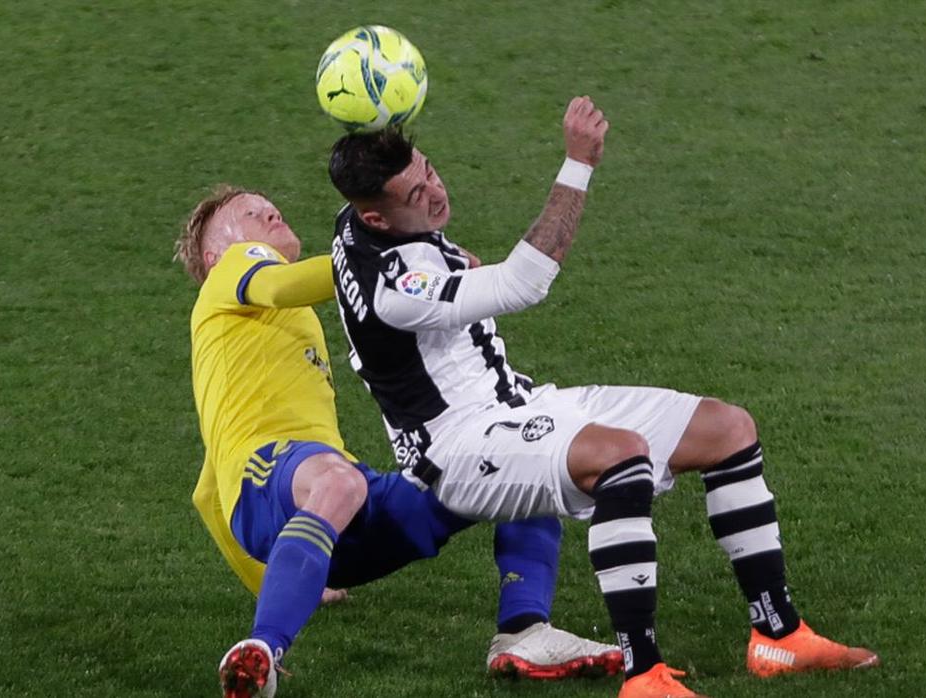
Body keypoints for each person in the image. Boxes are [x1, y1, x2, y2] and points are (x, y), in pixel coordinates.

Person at [326, 97, 880, 698]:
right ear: (376, 220)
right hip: (458, 447)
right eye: (416, 193)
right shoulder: (395, 286)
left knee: (727, 428)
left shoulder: (359, 220)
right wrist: (578, 163)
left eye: (429, 170)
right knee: (619, 456)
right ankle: (642, 674)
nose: (436, 192)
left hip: (520, 405)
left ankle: (779, 635)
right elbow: (525, 281)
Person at [175, 185, 622, 698]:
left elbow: (207, 496)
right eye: (249, 214)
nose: (269, 210)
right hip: (281, 474)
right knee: (339, 480)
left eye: (268, 204)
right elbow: (281, 287)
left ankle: (523, 633)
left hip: (326, 512)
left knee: (520, 465)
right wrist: (389, 264)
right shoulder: (232, 272)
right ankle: (263, 650)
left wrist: (281, 577)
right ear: (213, 258)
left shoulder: (249, 333)